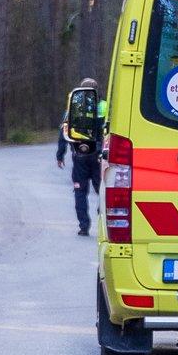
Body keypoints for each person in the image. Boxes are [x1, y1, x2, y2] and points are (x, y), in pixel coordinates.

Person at [55, 78, 103, 236]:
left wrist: (60, 155)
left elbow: (63, 134)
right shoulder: (104, 106)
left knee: (80, 192)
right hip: (98, 155)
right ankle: (102, 212)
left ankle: (84, 226)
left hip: (79, 156)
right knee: (102, 190)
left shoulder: (71, 109)